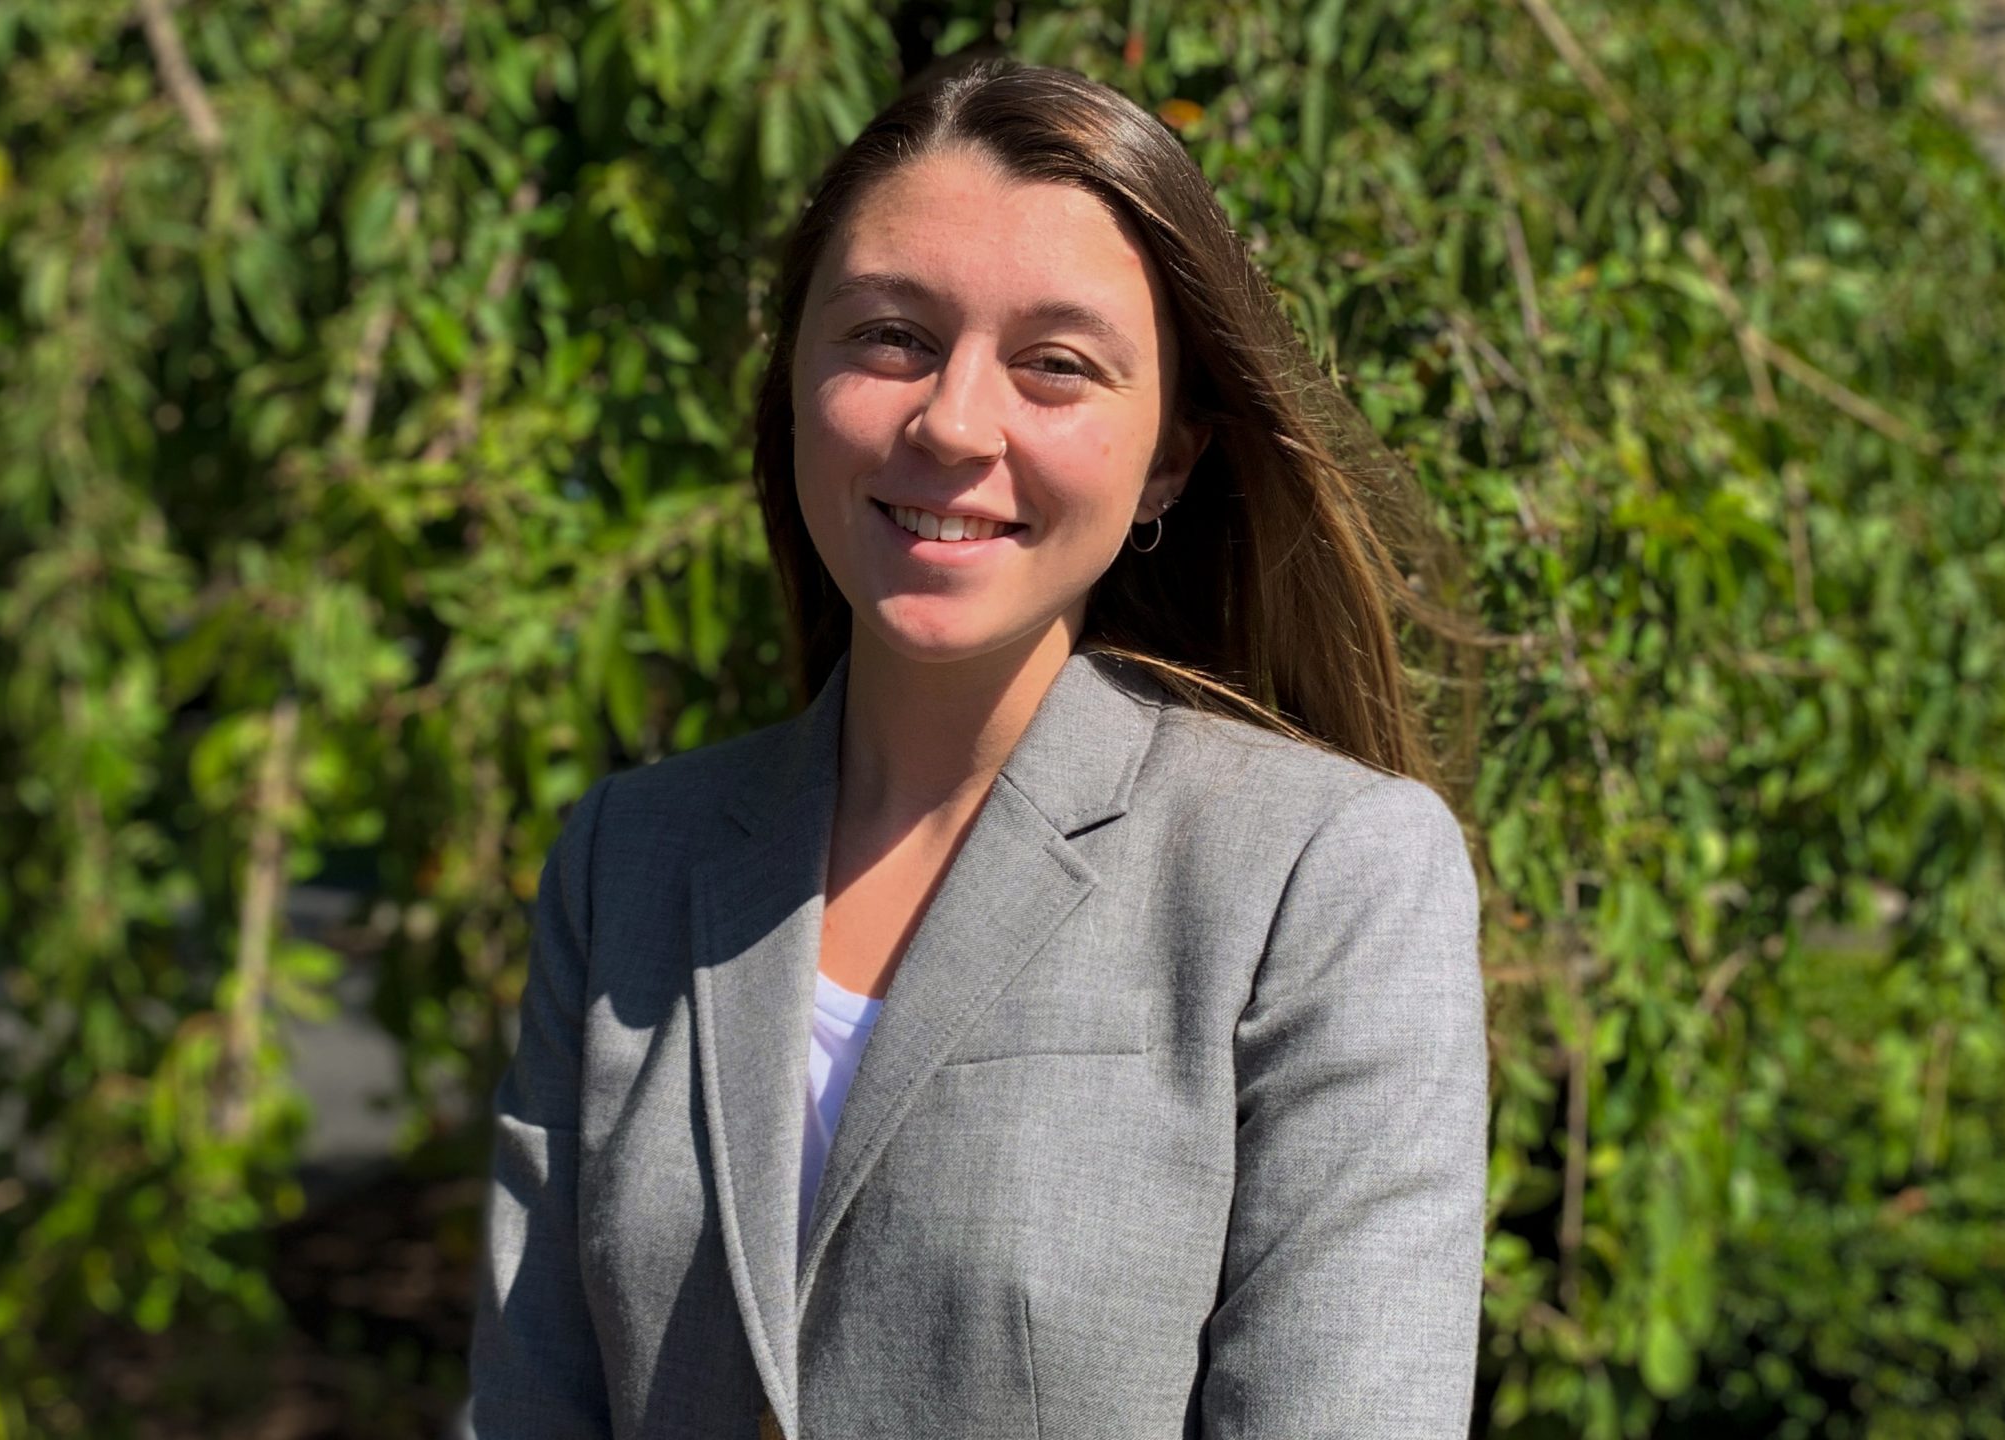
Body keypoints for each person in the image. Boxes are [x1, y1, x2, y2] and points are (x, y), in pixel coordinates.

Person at [465, 54, 1489, 1439]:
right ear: (795, 382)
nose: (952, 420)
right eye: (889, 336)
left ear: (1172, 458)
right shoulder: (629, 862)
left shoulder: (1321, 877)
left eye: (1054, 366)